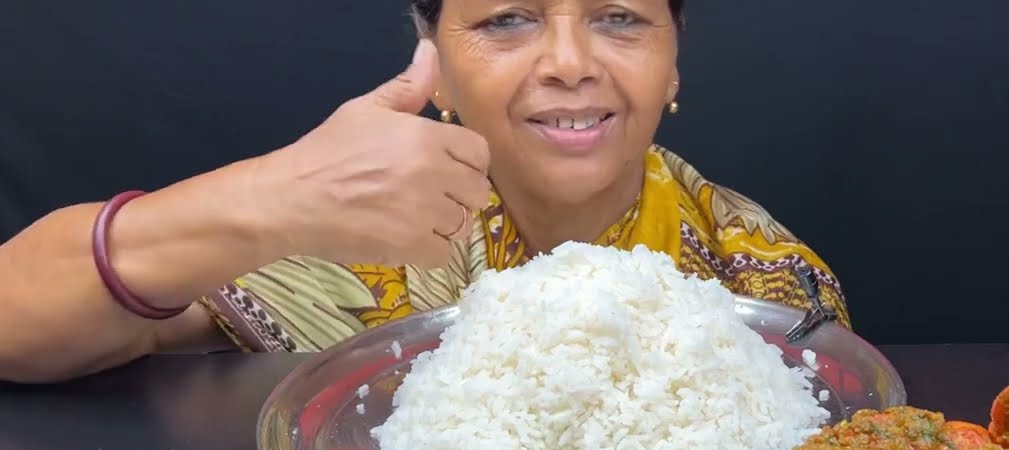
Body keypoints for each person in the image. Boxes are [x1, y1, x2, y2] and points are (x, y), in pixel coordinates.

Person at [0, 0, 849, 383]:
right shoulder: (342, 232)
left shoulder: (762, 276)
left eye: (619, 18)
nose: (568, 61)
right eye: (506, 20)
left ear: (673, 65)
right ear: (435, 63)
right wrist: (272, 196)